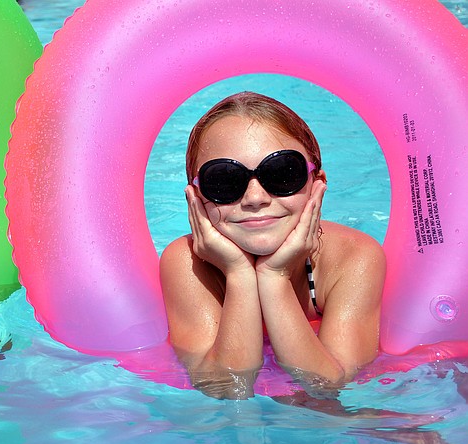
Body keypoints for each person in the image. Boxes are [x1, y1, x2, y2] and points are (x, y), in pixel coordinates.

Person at [160, 92, 386, 399]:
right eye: (225, 181)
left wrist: (274, 276)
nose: (255, 198)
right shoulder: (186, 262)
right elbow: (225, 387)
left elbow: (329, 386)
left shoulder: (353, 259)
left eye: (282, 174)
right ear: (197, 198)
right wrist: (239, 273)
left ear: (316, 184)